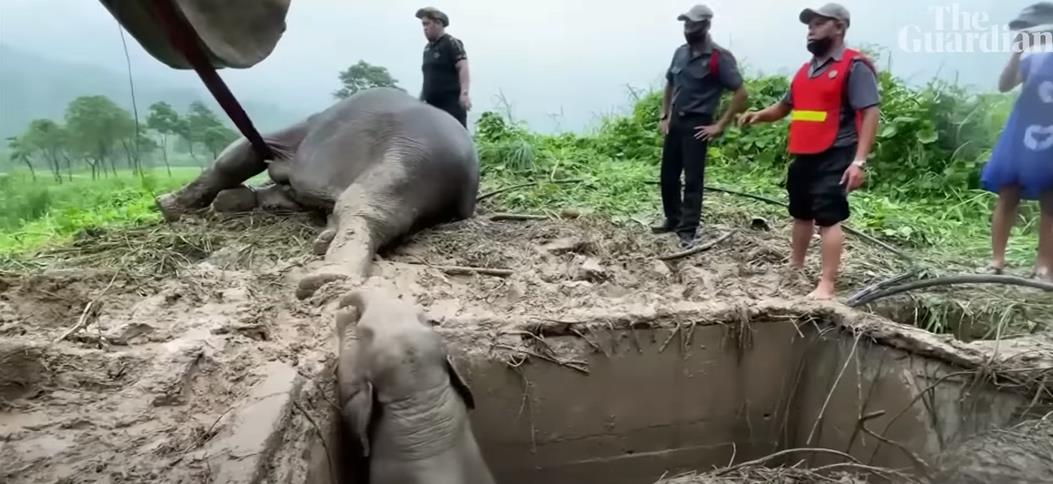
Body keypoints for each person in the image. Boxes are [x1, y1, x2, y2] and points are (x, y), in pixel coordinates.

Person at [738, 3, 880, 300]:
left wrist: (859, 162)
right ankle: (796, 266)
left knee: (828, 217)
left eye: (818, 24)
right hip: (805, 152)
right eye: (809, 26)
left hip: (837, 151)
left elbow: (869, 112)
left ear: (839, 27)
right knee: (800, 213)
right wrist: (758, 115)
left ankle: (826, 284)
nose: (810, 30)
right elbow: (784, 107)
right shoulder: (805, 72)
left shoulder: (854, 67)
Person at [654, 4, 748, 249]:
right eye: (686, 24)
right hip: (676, 122)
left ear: (706, 26)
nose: (688, 29)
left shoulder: (719, 57)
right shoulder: (680, 52)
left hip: (698, 123)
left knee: (693, 179)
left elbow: (741, 93)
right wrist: (664, 115)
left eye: (693, 25)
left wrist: (720, 125)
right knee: (668, 176)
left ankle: (688, 229)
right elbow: (669, 84)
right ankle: (673, 220)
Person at [980, 2, 1053, 280]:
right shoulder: (1029, 56)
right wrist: (1017, 51)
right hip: (1022, 131)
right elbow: (1005, 85)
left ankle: (1044, 266)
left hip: (1050, 131)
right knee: (1008, 192)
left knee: (1050, 198)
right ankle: (996, 260)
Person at [415, 7, 471, 127]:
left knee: (455, 139)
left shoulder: (451, 42)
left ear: (438, 23)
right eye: (422, 25)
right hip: (432, 106)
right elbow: (428, 77)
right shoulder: (427, 49)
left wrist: (464, 94)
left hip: (451, 105)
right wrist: (420, 99)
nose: (424, 28)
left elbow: (463, 66)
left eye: (427, 24)